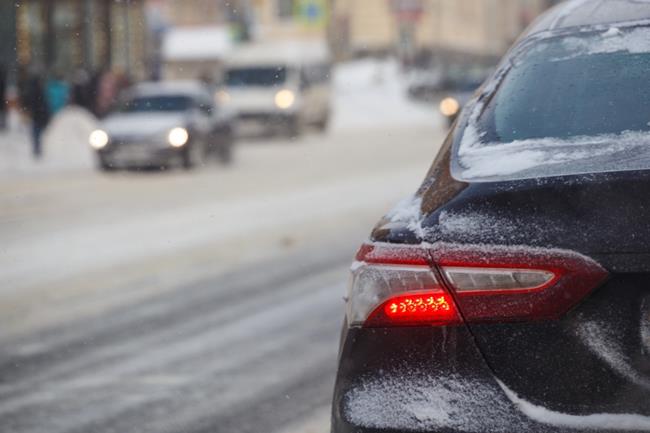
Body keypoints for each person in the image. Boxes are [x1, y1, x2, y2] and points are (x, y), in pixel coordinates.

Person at [24, 72, 50, 159]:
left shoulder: (32, 91)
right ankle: (38, 149)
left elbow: (29, 103)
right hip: (39, 115)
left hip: (36, 115)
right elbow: (44, 103)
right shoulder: (40, 91)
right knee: (37, 133)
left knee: (35, 133)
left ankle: (36, 149)